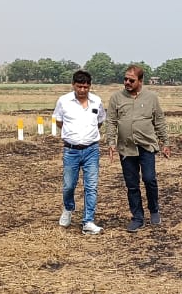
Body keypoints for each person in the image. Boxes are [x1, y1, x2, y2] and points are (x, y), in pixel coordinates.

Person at [105, 64, 171, 232]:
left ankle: (154, 209)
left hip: (146, 146)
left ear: (140, 81)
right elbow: (111, 121)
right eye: (125, 79)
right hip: (126, 148)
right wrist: (111, 142)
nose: (127, 82)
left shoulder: (151, 98)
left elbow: (159, 121)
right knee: (132, 184)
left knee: (149, 179)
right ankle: (137, 218)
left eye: (131, 80)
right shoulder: (116, 98)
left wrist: (165, 143)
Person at [53, 70, 105, 235]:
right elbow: (59, 121)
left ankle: (88, 221)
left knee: (91, 186)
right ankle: (68, 208)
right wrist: (72, 134)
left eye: (85, 87)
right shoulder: (64, 101)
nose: (82, 90)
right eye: (79, 86)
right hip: (71, 150)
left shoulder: (97, 101)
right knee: (69, 185)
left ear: (90, 86)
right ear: (73, 85)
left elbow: (100, 121)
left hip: (91, 150)